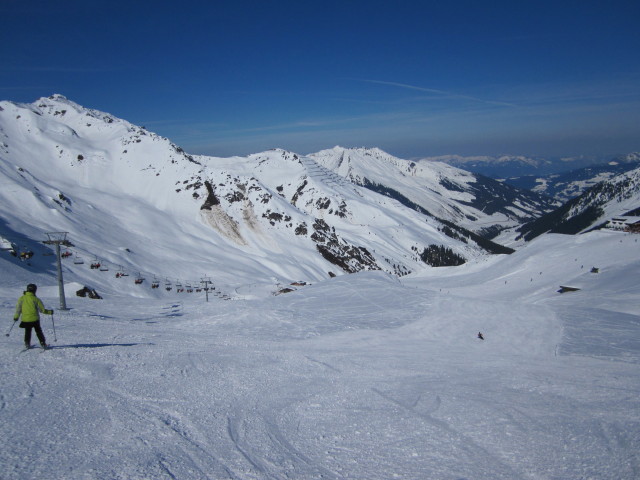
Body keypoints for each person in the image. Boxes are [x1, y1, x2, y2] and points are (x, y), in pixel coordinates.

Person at [13, 284, 53, 349]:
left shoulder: (22, 298)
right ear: (34, 290)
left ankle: (27, 343)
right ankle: (43, 343)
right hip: (35, 319)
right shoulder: (36, 299)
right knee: (38, 331)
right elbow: (42, 310)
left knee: (27, 331)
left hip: (25, 320)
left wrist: (16, 317)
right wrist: (50, 312)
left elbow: (18, 309)